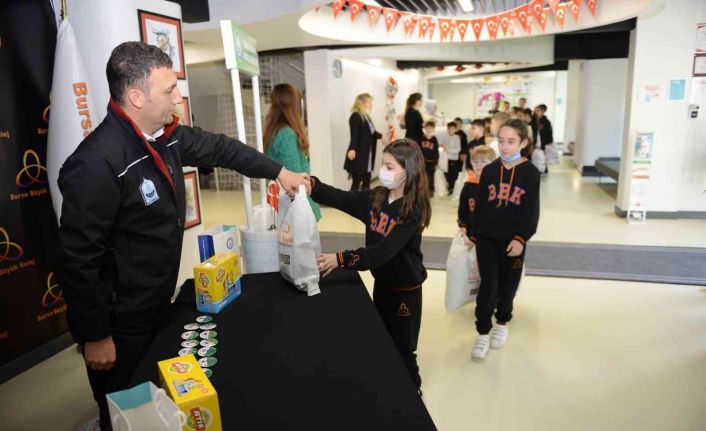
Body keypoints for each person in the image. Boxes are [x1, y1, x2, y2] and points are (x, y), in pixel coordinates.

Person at [56, 42, 310, 431]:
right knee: (125, 407)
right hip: (120, 320)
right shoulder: (96, 163)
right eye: (168, 90)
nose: (178, 97)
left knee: (154, 403)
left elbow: (223, 150)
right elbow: (78, 261)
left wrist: (278, 172)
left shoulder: (165, 135)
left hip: (157, 300)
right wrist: (96, 335)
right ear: (136, 96)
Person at [312, 139, 431, 395]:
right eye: (383, 165)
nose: (384, 172)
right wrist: (312, 186)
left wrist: (341, 258)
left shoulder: (412, 211)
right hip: (383, 283)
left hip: (405, 290)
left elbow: (381, 253)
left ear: (407, 170)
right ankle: (388, 380)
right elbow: (342, 198)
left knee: (403, 345)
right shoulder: (376, 197)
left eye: (390, 166)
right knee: (383, 336)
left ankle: (413, 390)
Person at [467, 119, 540, 360]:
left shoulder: (530, 173)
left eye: (511, 142)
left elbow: (531, 211)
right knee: (489, 285)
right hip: (487, 239)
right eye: (500, 141)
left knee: (508, 284)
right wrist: (473, 232)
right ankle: (483, 331)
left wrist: (521, 238)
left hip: (513, 241)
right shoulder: (489, 170)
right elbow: (478, 206)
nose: (505, 147)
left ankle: (502, 322)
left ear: (524, 143)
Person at [264, 83, 321, 220]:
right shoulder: (285, 133)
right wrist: (312, 209)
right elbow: (296, 178)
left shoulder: (277, 130)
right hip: (293, 203)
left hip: (288, 201)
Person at [344, 93, 383, 192]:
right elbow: (354, 134)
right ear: (364, 103)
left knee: (367, 180)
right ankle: (351, 205)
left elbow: (372, 132)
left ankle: (365, 204)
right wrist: (352, 149)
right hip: (359, 154)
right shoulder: (356, 116)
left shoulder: (366, 116)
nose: (372, 104)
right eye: (370, 102)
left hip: (367, 155)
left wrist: (382, 137)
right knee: (356, 183)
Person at [458, 145, 495, 235]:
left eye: (483, 161)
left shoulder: (496, 185)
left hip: (491, 232)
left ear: (493, 163)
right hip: (471, 230)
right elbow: (463, 209)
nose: (478, 165)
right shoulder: (468, 185)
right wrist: (463, 225)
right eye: (475, 162)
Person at [532, 104, 553, 174]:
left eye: (538, 111)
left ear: (542, 111)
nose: (536, 112)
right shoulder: (533, 120)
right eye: (536, 110)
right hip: (535, 142)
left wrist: (549, 142)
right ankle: (536, 170)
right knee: (536, 156)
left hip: (543, 143)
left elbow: (549, 133)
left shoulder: (546, 122)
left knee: (543, 157)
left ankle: (544, 171)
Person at [420, 121, 439, 194]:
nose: (429, 130)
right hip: (423, 161)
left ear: (433, 129)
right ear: (424, 128)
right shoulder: (422, 138)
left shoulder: (434, 139)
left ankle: (431, 190)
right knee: (423, 176)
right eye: (427, 128)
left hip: (431, 162)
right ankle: (423, 190)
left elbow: (436, 151)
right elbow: (419, 149)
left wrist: (436, 161)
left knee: (431, 177)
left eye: (431, 128)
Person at [444, 121, 462, 195]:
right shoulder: (446, 137)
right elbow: (443, 146)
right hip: (445, 159)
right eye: (449, 129)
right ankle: (450, 187)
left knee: (453, 174)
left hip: (454, 159)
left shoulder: (457, 137)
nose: (450, 130)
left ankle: (452, 188)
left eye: (452, 129)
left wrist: (448, 150)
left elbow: (458, 149)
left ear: (455, 129)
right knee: (447, 173)